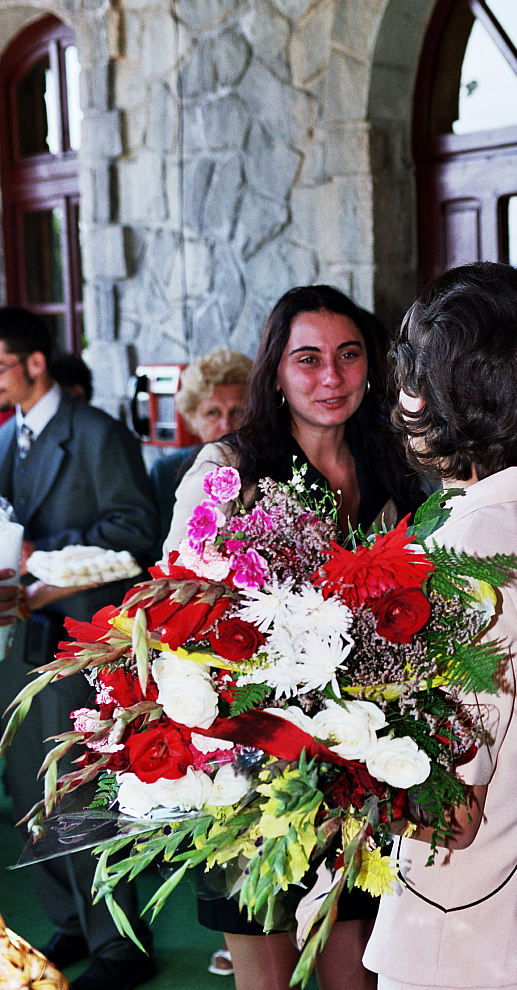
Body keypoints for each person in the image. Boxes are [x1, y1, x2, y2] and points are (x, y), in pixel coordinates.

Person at [362, 263, 517, 990]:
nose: (401, 399)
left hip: (461, 933)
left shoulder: (468, 555)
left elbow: (453, 816)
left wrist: (313, 761)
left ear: (452, 396)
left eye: (413, 377)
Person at [163, 284, 421, 990]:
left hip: (360, 752)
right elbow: (177, 609)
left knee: (354, 970)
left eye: (349, 355)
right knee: (267, 974)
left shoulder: (395, 464)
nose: (331, 377)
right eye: (308, 359)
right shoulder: (229, 469)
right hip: (250, 761)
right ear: (275, 370)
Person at [0, 307, 159, 990]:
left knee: (77, 793)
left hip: (79, 644)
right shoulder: (8, 436)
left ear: (36, 362)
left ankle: (120, 945)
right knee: (25, 791)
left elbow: (137, 531)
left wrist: (40, 556)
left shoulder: (98, 433)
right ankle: (69, 921)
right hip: (18, 639)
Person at [149, 348, 252, 567]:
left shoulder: (267, 467)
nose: (226, 426)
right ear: (192, 418)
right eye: (213, 412)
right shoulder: (166, 471)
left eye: (238, 411)